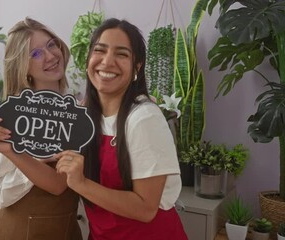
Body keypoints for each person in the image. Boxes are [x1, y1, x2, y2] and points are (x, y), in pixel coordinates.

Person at [55, 18, 188, 239]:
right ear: (88, 59)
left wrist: (81, 184)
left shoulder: (144, 118)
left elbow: (145, 209)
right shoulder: (84, 116)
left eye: (122, 54)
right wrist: (8, 145)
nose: (107, 62)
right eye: (100, 50)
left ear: (137, 67)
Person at [0, 17, 82, 240]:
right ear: (22, 66)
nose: (50, 56)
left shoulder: (80, 111)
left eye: (51, 45)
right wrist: (34, 161)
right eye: (35, 54)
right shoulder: (11, 119)